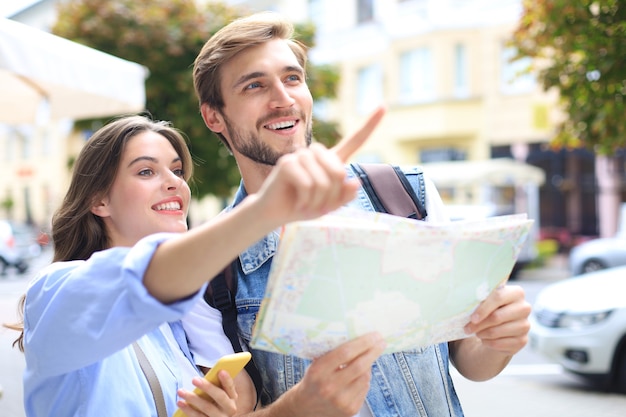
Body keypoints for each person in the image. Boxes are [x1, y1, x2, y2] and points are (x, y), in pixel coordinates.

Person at [184, 11, 532, 417]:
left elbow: (470, 359)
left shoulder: (404, 195)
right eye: (255, 85)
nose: (283, 98)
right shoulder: (209, 268)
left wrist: (499, 339)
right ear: (214, 116)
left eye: (293, 78)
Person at [9, 112, 383, 417]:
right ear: (98, 200)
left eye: (176, 170)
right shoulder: (56, 293)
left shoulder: (178, 324)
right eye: (145, 171)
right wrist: (264, 209)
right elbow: (141, 279)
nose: (175, 183)